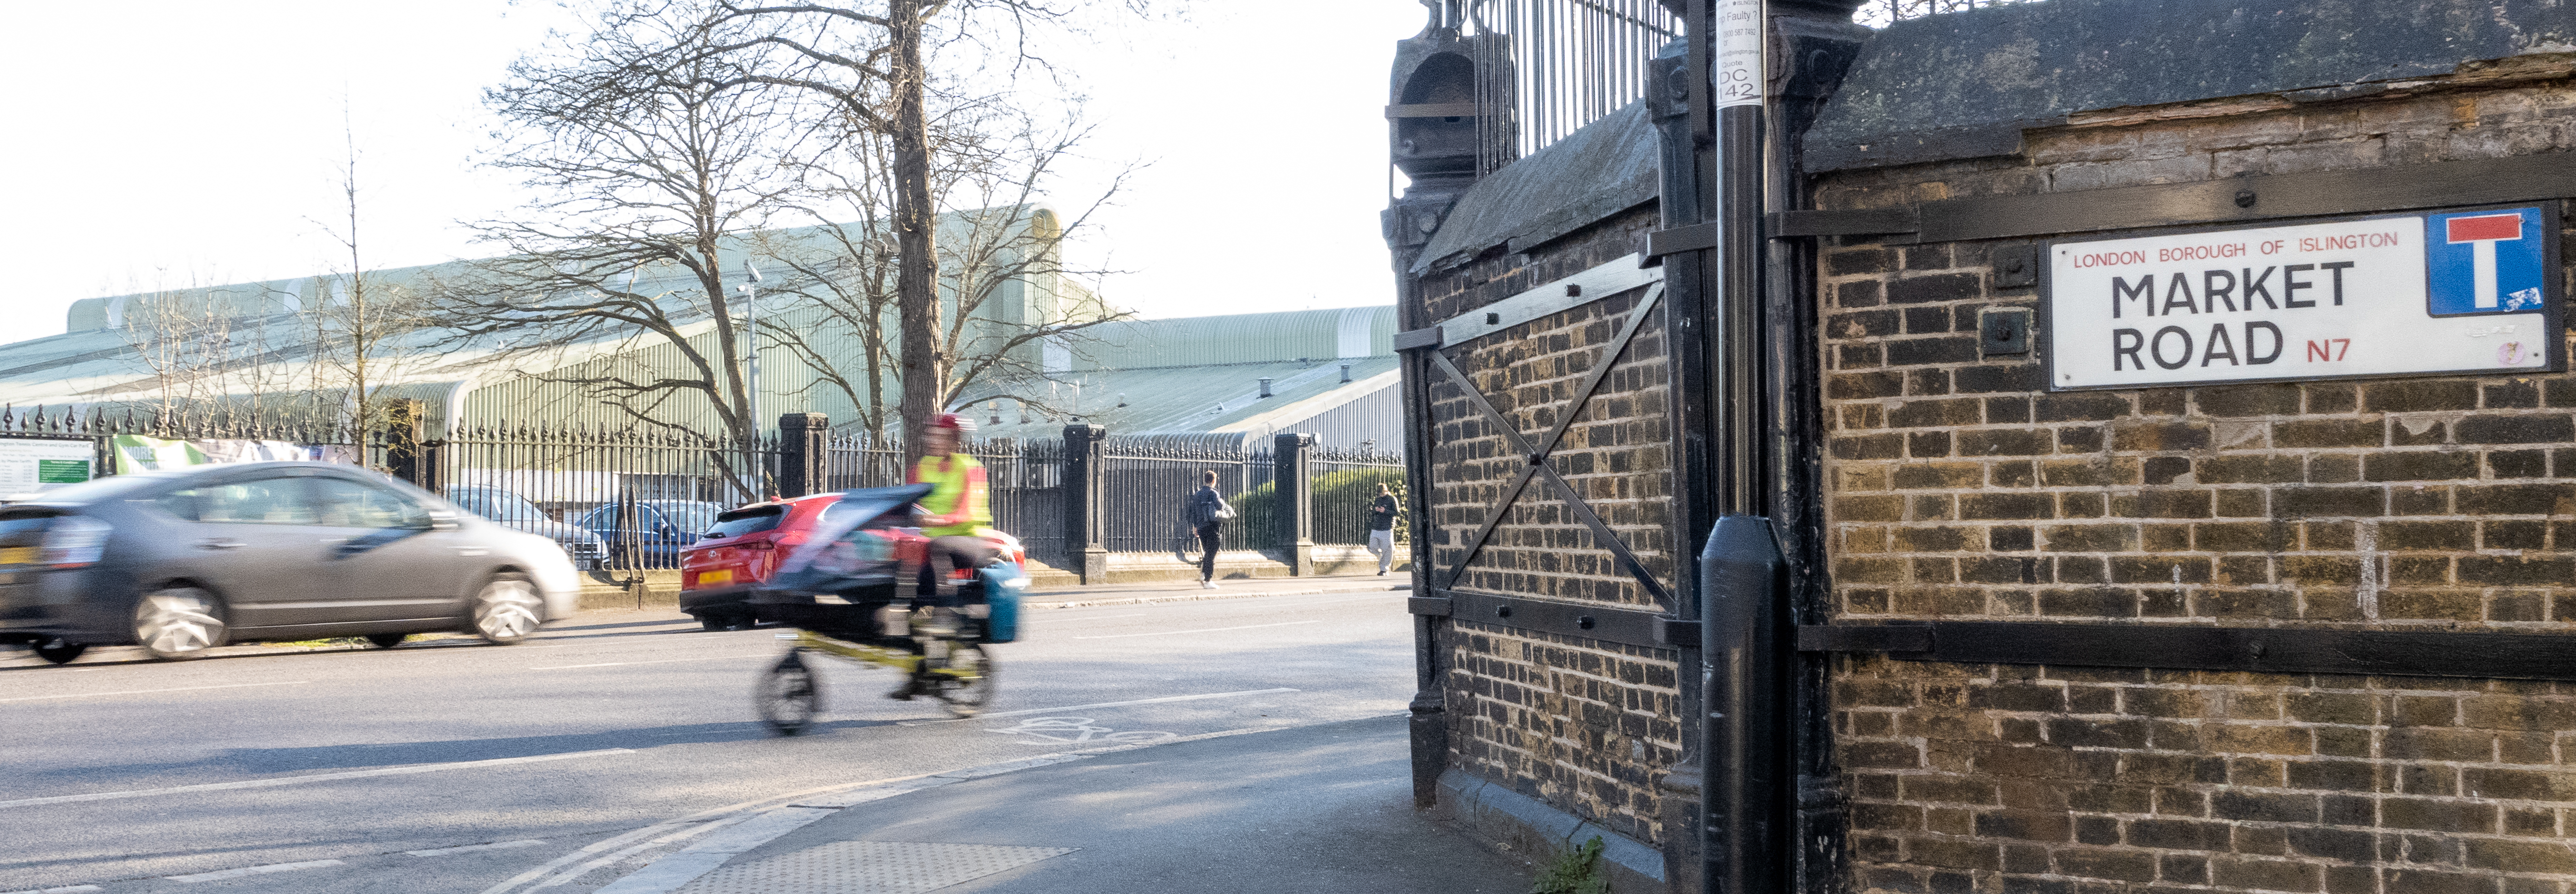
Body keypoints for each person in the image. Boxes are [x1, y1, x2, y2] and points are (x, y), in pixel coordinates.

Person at [892, 412, 997, 699]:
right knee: (904, 597)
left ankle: (945, 614)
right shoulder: (921, 468)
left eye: (940, 436)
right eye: (931, 435)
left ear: (955, 441)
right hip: (931, 546)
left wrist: (935, 521)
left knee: (939, 546)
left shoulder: (971, 468)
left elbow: (966, 513)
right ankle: (917, 674)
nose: (932, 441)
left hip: (969, 544)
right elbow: (908, 503)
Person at [1182, 470, 1232, 589]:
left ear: (1205, 480)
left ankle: (1204, 575)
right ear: (1214, 480)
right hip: (1213, 527)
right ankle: (1207, 579)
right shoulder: (1213, 493)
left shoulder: (1198, 494)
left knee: (1208, 553)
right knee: (1211, 553)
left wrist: (1196, 527)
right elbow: (1221, 506)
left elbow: (1194, 512)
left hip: (1201, 527)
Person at [1366, 482, 1398, 576]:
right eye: (1379, 493)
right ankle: (1382, 558)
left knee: (1387, 550)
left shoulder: (1392, 499)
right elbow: (1373, 512)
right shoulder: (1378, 499)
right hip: (1376, 527)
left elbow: (1397, 513)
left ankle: (1384, 570)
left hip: (1387, 527)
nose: (1380, 495)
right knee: (1372, 546)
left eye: (1381, 493)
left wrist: (1385, 511)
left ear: (1386, 491)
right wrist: (1376, 510)